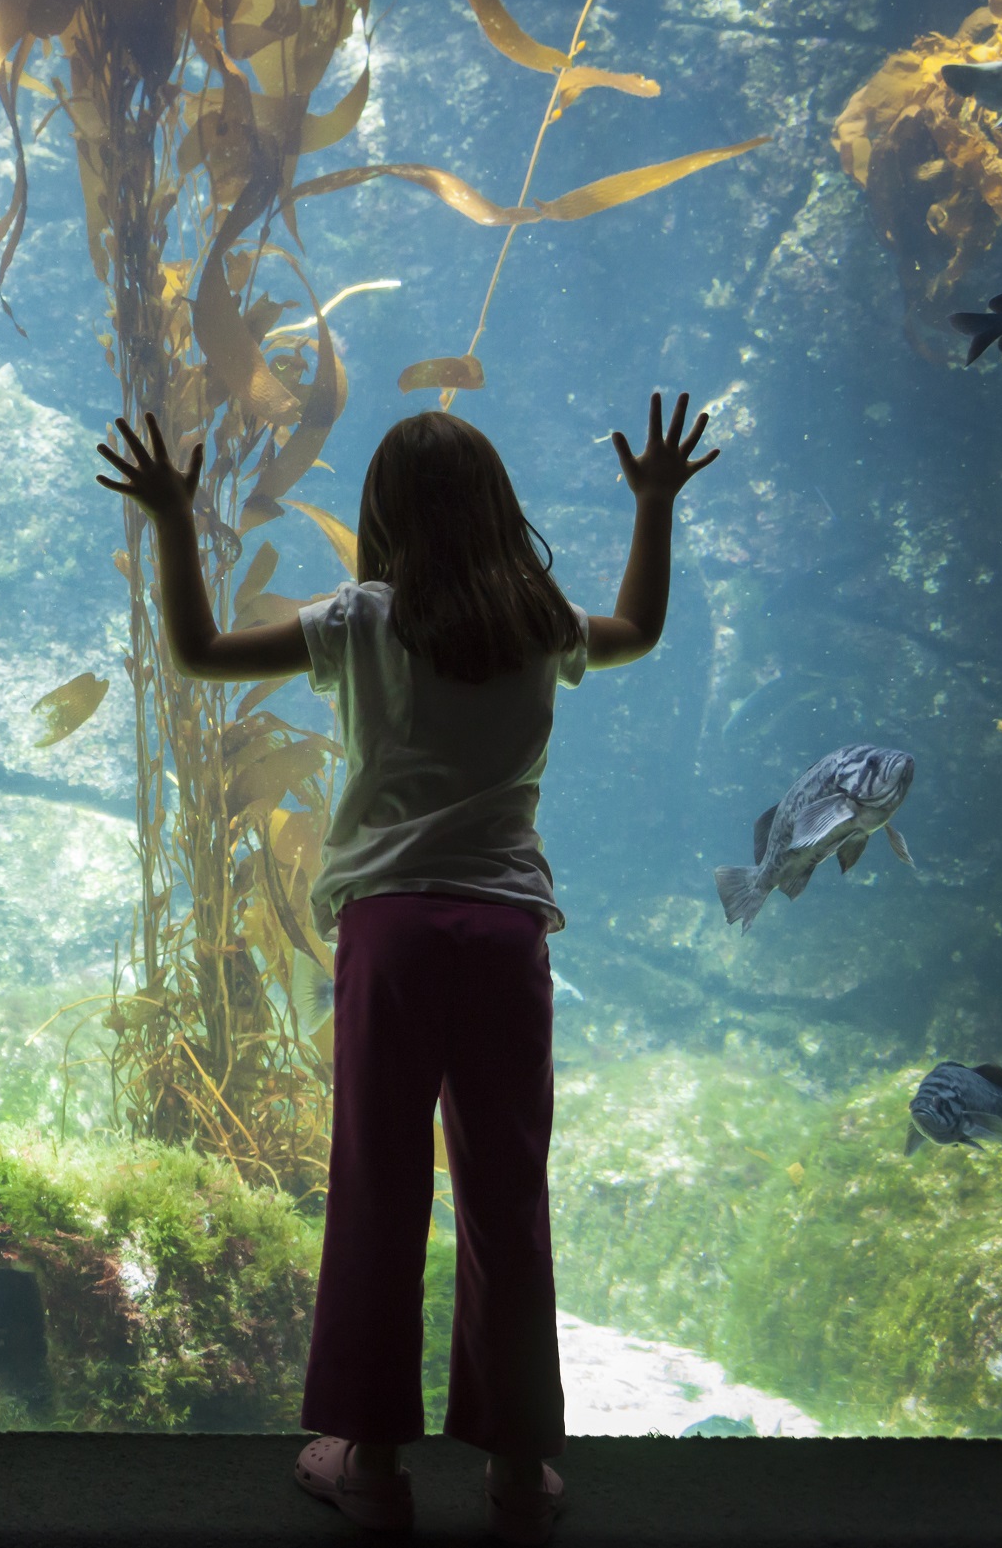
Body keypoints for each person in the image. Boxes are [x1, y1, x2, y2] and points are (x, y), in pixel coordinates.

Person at [97, 394, 718, 1545]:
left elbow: (195, 653)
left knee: (377, 1185)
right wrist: (654, 506)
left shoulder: (356, 617)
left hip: (389, 931)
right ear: (495, 508)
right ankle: (521, 1467)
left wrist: (173, 520)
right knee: (504, 1191)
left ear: (381, 512)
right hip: (501, 934)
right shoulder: (536, 617)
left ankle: (370, 1460)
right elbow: (636, 626)